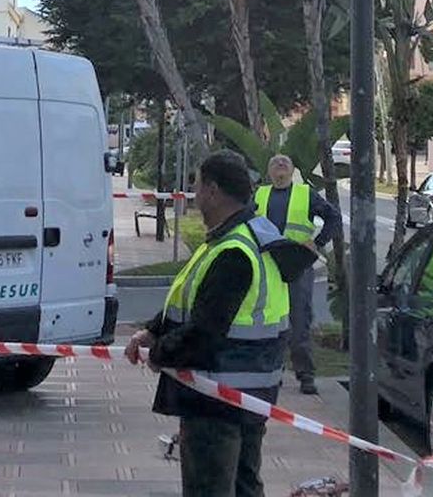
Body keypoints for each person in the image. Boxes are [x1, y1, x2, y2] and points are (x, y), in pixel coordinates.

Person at [127, 150, 311, 497]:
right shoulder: (250, 235)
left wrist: (159, 354)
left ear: (212, 190)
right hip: (250, 394)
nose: (194, 195)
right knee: (244, 486)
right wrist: (154, 329)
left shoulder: (233, 251)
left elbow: (205, 331)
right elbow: (196, 301)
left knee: (210, 488)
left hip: (216, 398)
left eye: (196, 186)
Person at [253, 154, 341, 395]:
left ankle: (306, 374)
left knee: (299, 321)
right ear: (269, 172)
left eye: (285, 162)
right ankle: (272, 370)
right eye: (275, 163)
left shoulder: (306, 194)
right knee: (268, 322)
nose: (280, 164)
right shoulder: (259, 195)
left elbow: (334, 218)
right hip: (268, 266)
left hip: (297, 267)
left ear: (292, 171)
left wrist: (318, 242)